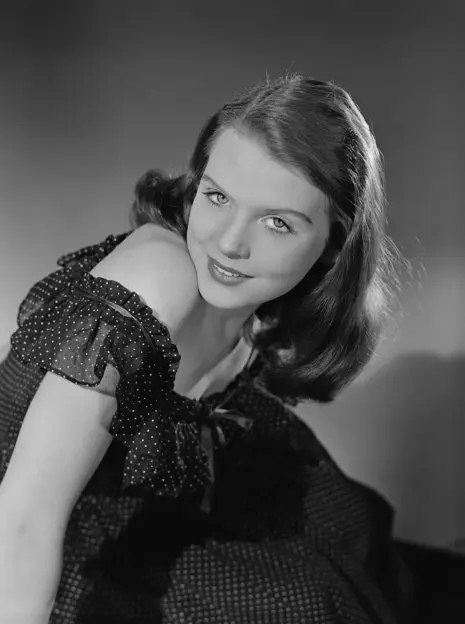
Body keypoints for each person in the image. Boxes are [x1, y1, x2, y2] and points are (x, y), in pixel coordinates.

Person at [0, 74, 411, 623]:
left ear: (333, 244)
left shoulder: (266, 304)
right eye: (217, 197)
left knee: (353, 524)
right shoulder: (156, 276)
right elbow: (24, 517)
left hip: (141, 501)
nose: (228, 242)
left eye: (276, 223)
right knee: (309, 607)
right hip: (48, 531)